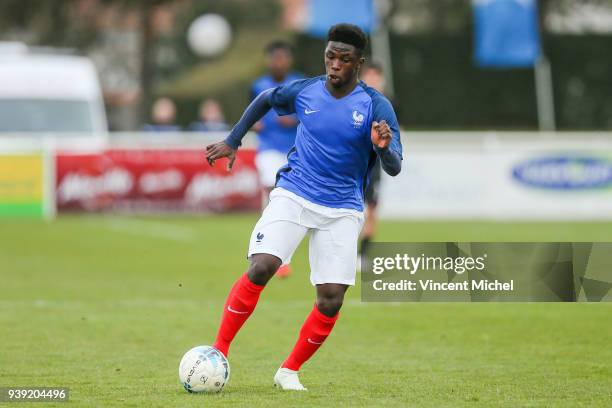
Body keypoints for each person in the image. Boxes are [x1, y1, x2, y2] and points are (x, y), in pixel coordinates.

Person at [205, 24, 402, 391]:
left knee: (331, 299)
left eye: (344, 59)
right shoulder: (306, 90)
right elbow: (266, 99)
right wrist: (234, 139)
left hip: (342, 208)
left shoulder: (376, 105)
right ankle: (219, 350)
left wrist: (383, 147)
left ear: (358, 62)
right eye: (330, 56)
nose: (335, 64)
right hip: (294, 193)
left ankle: (289, 370)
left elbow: (395, 166)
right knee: (262, 265)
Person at [251, 41, 303, 278]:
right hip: (269, 147)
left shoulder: (300, 83)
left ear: (289, 60)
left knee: (293, 201)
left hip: (295, 150)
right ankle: (267, 247)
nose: (279, 62)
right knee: (273, 192)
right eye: (275, 58)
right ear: (269, 60)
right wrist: (255, 124)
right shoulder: (258, 86)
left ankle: (282, 252)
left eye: (283, 58)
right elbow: (252, 114)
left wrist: (293, 120)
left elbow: (312, 115)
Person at [359, 62, 387, 262]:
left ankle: (363, 253)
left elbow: (396, 131)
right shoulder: (354, 101)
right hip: (353, 164)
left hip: (374, 166)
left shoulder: (388, 104)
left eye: (376, 77)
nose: (373, 80)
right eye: (369, 76)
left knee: (371, 211)